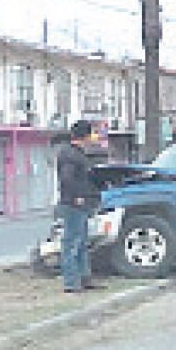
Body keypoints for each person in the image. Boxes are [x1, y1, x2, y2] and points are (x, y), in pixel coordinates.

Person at [56, 119, 101, 293]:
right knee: (72, 242)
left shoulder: (77, 152)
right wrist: (77, 197)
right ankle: (71, 282)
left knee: (81, 242)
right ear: (85, 135)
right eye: (91, 134)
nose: (93, 137)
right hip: (73, 203)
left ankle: (85, 278)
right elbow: (67, 179)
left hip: (80, 203)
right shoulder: (69, 154)